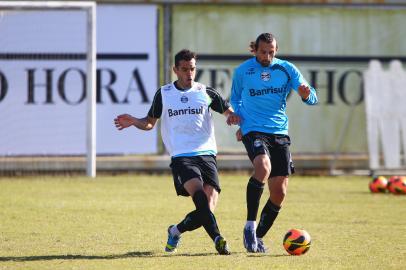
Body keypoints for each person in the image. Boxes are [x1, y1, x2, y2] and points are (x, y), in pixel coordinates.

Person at [114, 49, 237, 255]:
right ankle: (218, 238)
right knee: (198, 195)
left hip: (207, 154)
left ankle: (175, 230)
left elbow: (228, 112)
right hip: (182, 156)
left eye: (193, 69)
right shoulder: (164, 94)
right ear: (175, 70)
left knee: (207, 209)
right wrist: (135, 121)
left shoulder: (205, 92)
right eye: (185, 69)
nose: (190, 73)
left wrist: (235, 120)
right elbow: (149, 123)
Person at [227, 33, 318, 253]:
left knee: (279, 192)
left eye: (271, 52)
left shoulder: (287, 68)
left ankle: (257, 238)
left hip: (279, 132)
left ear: (276, 50)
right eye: (263, 52)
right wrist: (238, 117)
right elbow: (235, 98)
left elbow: (312, 97)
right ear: (254, 50)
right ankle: (250, 225)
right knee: (263, 166)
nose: (267, 56)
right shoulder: (243, 71)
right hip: (253, 130)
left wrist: (306, 95)